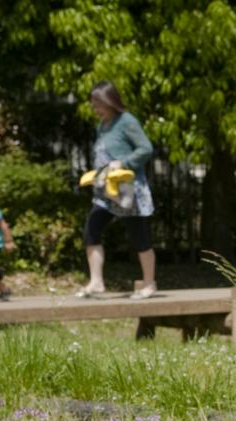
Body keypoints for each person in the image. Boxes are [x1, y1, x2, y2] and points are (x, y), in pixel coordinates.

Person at [77, 82, 156, 299]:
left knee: (139, 235)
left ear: (110, 101)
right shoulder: (102, 125)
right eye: (93, 105)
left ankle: (149, 284)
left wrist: (124, 162)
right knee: (91, 230)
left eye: (98, 104)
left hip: (126, 188)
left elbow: (146, 149)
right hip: (105, 189)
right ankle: (96, 282)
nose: (95, 109)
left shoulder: (127, 121)